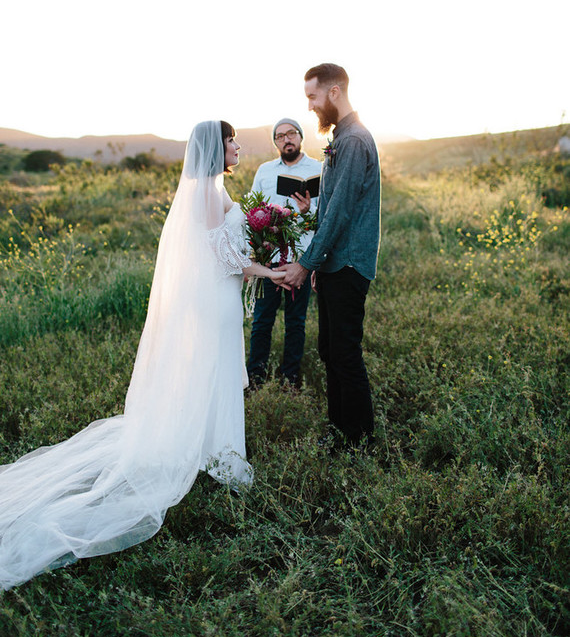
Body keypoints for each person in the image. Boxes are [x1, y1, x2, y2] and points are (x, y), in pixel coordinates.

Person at [0, 121, 286, 591]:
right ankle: (222, 458)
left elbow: (227, 250)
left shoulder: (208, 191)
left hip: (219, 298)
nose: (238, 146)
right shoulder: (210, 195)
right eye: (231, 141)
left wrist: (264, 246)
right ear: (217, 148)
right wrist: (273, 272)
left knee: (211, 374)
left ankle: (212, 449)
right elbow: (227, 259)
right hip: (217, 300)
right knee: (212, 374)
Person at [282, 64, 381, 449]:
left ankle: (358, 442)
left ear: (334, 92)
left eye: (313, 97)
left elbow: (340, 210)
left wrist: (306, 265)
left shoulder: (354, 141)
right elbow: (331, 208)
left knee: (345, 355)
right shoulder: (341, 138)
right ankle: (340, 431)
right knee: (330, 352)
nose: (309, 106)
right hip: (333, 264)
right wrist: (318, 264)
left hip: (349, 263)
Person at [247, 118, 322, 388]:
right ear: (276, 142)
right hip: (268, 258)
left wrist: (306, 210)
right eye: (280, 136)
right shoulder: (265, 171)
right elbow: (251, 210)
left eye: (291, 134)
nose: (286, 139)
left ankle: (290, 379)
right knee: (261, 321)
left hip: (300, 259)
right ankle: (255, 378)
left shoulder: (318, 169)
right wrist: (253, 254)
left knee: (296, 322)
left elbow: (325, 217)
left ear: (301, 137)